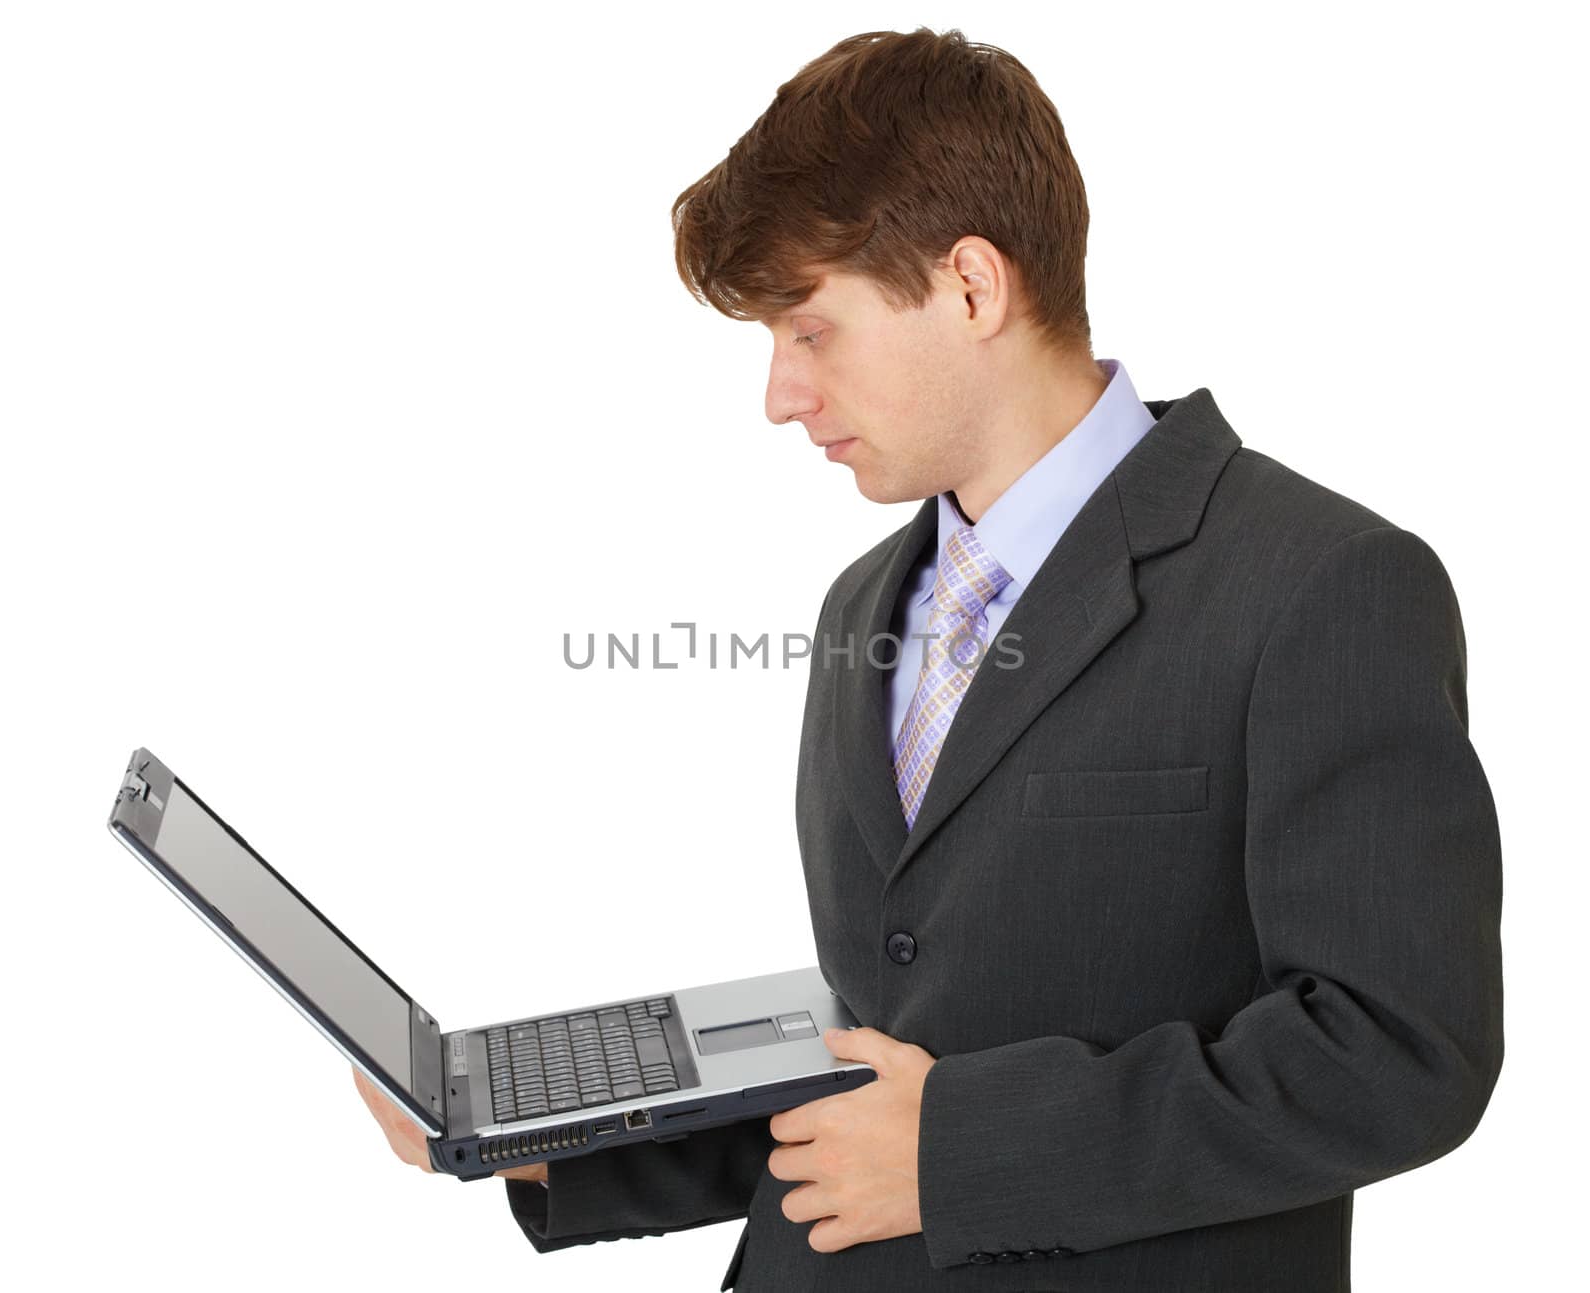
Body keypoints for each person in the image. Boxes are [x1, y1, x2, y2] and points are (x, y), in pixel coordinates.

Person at [357, 26, 1504, 1292]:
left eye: (809, 329)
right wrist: (559, 1142)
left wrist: (964, 1148)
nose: (779, 396)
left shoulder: (1318, 586)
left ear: (970, 286)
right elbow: (884, 1053)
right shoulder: (863, 605)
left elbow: (1398, 1049)